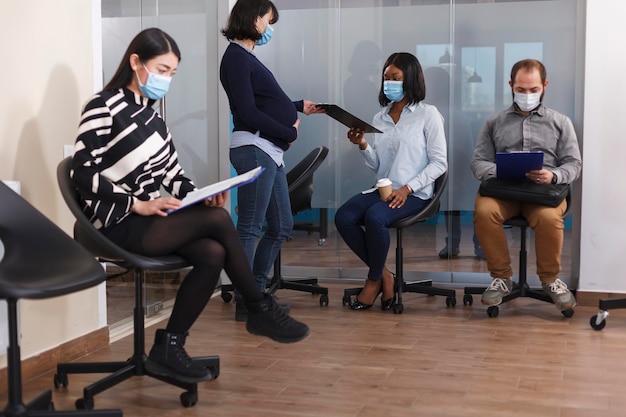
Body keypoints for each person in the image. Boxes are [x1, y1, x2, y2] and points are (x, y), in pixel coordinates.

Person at [70, 28, 310, 384]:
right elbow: (80, 173)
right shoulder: (103, 106)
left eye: (172, 73)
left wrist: (200, 192)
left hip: (152, 220)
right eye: (161, 69)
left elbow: (173, 173)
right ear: (136, 62)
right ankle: (257, 306)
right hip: (116, 221)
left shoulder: (153, 119)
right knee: (217, 221)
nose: (166, 79)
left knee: (213, 252)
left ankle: (169, 345)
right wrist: (137, 204)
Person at [219, 0, 323, 322]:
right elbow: (247, 113)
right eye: (268, 20)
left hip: (268, 151)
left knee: (281, 226)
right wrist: (288, 132)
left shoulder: (246, 58)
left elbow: (262, 101)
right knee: (250, 226)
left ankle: (257, 294)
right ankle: (248, 302)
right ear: (254, 20)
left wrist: (295, 106)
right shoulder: (236, 58)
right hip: (255, 148)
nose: (269, 28)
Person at [334, 52, 448, 311]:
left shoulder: (428, 115)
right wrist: (362, 144)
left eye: (395, 77)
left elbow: (440, 163)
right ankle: (386, 276)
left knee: (375, 217)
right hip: (383, 188)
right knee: (344, 216)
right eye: (386, 77)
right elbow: (377, 165)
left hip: (415, 193)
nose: (389, 83)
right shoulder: (379, 118)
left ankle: (373, 281)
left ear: (410, 79)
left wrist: (408, 189)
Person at [472, 58, 582, 310]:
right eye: (521, 90)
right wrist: (502, 170)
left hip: (543, 194)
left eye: (534, 89)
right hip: (503, 192)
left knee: (548, 219)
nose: (527, 95)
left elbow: (574, 165)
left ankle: (550, 279)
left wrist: (552, 175)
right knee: (484, 211)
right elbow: (478, 163)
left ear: (545, 86)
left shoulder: (560, 122)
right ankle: (501, 278)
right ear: (511, 85)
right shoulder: (494, 122)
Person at [423, 66, 484, 260]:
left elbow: (464, 152)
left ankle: (475, 245)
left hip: (459, 171)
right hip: (435, 172)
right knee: (452, 205)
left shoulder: (456, 116)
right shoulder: (423, 114)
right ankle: (457, 244)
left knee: (459, 203)